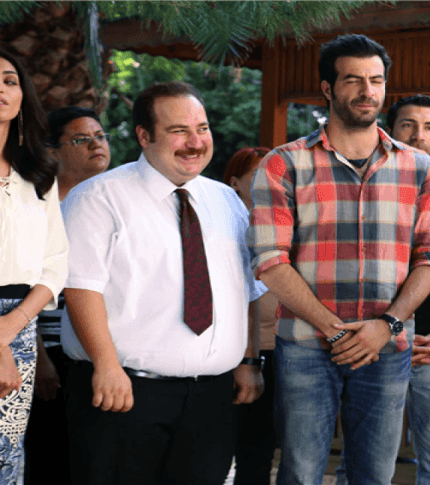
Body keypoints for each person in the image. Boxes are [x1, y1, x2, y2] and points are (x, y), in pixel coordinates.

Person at [249, 34, 430, 484]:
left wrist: (387, 325)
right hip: (306, 344)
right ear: (328, 88)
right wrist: (333, 329)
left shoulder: (420, 168)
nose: (367, 90)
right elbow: (269, 259)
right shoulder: (284, 163)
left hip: (387, 346)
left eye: (376, 80)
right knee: (300, 474)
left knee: (373, 475)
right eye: (353, 80)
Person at [60, 81, 262, 485]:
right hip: (123, 392)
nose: (195, 142)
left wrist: (248, 361)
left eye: (202, 129)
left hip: (212, 399)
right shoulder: (96, 198)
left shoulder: (226, 201)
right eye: (178, 131)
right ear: (144, 136)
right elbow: (81, 288)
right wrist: (106, 366)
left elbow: (248, 291)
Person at [336, 94, 430, 484]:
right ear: (388, 130)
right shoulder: (363, 185)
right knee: (362, 464)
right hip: (375, 342)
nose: (418, 135)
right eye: (408, 125)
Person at [24, 107, 111, 485]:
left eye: (100, 136)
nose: (96, 144)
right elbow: (23, 287)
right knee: (51, 458)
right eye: (81, 139)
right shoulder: (35, 208)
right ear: (52, 150)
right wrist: (41, 358)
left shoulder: (113, 202)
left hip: (102, 353)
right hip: (50, 356)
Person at [0, 46, 68, 483]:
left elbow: (55, 262)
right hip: (6, 335)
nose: (1, 89)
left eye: (9, 81)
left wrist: (12, 327)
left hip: (21, 324)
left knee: (7, 457)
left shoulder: (40, 173)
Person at [223, 146, 278, 484]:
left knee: (259, 451)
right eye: (259, 175)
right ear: (235, 183)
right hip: (231, 356)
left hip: (280, 353)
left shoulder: (287, 226)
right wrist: (248, 359)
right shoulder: (223, 229)